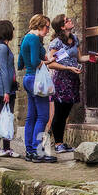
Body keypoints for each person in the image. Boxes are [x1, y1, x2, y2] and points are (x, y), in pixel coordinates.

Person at [46, 13, 97, 154]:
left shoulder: (74, 39)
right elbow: (51, 64)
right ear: (62, 26)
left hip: (72, 79)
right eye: (66, 20)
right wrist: (68, 68)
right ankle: (58, 143)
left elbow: (79, 58)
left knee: (66, 111)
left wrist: (92, 58)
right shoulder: (56, 43)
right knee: (59, 112)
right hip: (60, 80)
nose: (70, 20)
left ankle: (61, 142)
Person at [18, 13, 57, 163]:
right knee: (43, 116)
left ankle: (30, 150)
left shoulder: (24, 39)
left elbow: (20, 64)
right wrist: (48, 61)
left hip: (28, 79)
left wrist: (39, 60)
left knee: (31, 117)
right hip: (37, 79)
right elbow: (35, 62)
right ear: (40, 26)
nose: (48, 30)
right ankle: (38, 151)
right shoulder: (34, 39)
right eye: (47, 27)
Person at [0, 20, 19, 157]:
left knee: (7, 117)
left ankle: (7, 148)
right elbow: (3, 70)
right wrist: (7, 91)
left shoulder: (3, 47)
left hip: (6, 88)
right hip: (3, 89)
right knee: (3, 117)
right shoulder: (2, 48)